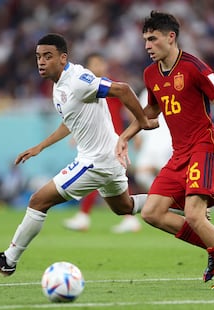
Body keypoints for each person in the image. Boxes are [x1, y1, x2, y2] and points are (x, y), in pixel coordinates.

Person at [0, 33, 157, 276]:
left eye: (47, 56)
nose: (41, 62)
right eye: (38, 57)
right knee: (124, 207)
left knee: (38, 201)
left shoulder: (78, 79)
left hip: (95, 160)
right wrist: (41, 146)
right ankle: (179, 203)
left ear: (62, 58)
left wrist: (142, 121)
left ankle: (9, 259)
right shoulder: (59, 87)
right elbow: (70, 122)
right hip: (108, 157)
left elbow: (123, 89)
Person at [116, 11, 214, 290]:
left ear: (171, 37)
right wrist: (125, 135)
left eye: (152, 39)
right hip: (179, 154)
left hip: (204, 147)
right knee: (151, 212)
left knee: (193, 214)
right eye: (145, 40)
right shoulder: (150, 74)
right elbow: (151, 110)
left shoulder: (195, 67)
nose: (147, 46)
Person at [63, 52, 141, 233]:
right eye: (94, 64)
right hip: (96, 140)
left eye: (100, 63)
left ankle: (84, 216)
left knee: (99, 175)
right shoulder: (85, 88)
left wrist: (136, 134)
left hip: (113, 139)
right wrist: (76, 135)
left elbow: (129, 108)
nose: (98, 67)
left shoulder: (112, 86)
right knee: (104, 177)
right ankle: (127, 218)